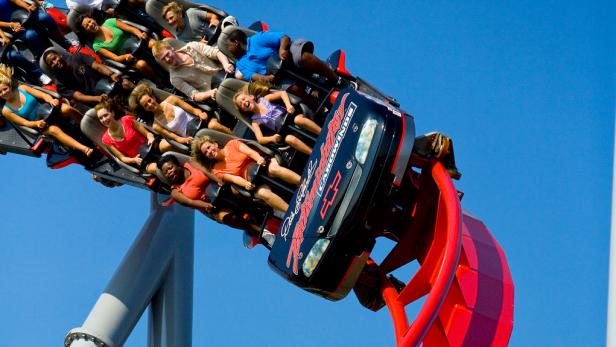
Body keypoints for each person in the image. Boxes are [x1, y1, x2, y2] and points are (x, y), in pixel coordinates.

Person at [0, 64, 92, 156]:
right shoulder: (6, 110)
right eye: (0, 92)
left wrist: (51, 100)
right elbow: (24, 123)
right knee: (53, 130)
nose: (4, 93)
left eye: (5, 89)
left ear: (10, 86)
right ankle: (84, 149)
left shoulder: (22, 88)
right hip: (40, 123)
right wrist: (36, 123)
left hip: (49, 109)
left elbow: (43, 95)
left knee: (67, 109)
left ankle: (90, 125)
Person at [191, 135, 300, 212]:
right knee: (263, 194)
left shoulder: (232, 144)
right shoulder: (216, 170)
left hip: (261, 164)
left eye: (209, 147)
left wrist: (259, 159)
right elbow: (234, 179)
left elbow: (250, 152)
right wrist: (245, 184)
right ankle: (291, 211)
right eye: (206, 152)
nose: (209, 151)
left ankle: (302, 181)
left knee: (273, 169)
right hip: (252, 180)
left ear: (214, 144)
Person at [157, 155, 257, 231]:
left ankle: (258, 205)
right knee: (227, 217)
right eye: (166, 172)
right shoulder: (175, 192)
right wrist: (207, 205)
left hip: (222, 189)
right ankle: (254, 229)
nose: (169, 172)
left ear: (177, 164)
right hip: (212, 207)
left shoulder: (191, 163)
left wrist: (218, 181)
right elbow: (190, 202)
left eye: (170, 168)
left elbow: (206, 171)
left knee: (237, 192)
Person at [129, 82, 232, 144]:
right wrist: (184, 140)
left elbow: (193, 110)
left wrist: (200, 113)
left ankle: (236, 138)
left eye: (149, 101)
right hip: (192, 137)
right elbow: (174, 137)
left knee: (213, 125)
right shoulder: (156, 125)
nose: (150, 105)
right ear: (145, 109)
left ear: (153, 97)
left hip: (200, 123)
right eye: (146, 105)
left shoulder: (172, 100)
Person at [234, 81, 320, 155]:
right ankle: (312, 153)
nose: (244, 102)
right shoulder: (255, 122)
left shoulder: (265, 99)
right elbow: (260, 139)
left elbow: (282, 93)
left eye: (244, 99)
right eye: (241, 104)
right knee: (289, 139)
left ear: (252, 97)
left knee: (298, 120)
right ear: (244, 110)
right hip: (284, 131)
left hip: (290, 117)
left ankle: (321, 132)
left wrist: (288, 105)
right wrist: (272, 138)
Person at [77, 14, 162, 84]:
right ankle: (160, 83)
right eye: (87, 26)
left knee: (154, 44)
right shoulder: (96, 45)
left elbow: (131, 28)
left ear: (93, 19)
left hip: (138, 42)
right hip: (130, 57)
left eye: (89, 21)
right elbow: (115, 58)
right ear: (86, 31)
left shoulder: (109, 22)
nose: (90, 25)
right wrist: (126, 57)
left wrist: (139, 34)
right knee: (141, 64)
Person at [95, 100, 171, 173]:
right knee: (156, 168)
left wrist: (151, 138)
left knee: (168, 145)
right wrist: (134, 160)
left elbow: (148, 133)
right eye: (100, 118)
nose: (104, 119)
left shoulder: (126, 120)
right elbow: (122, 158)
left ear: (112, 113)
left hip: (150, 146)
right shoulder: (106, 140)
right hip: (141, 159)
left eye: (106, 115)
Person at [151, 40, 233, 102]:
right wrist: (209, 93)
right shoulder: (174, 78)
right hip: (215, 91)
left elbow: (216, 53)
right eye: (163, 59)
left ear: (171, 48)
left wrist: (225, 64)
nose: (167, 59)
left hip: (224, 73)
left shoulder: (192, 46)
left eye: (167, 54)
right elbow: (194, 95)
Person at [43, 50, 134, 105]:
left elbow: (97, 66)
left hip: (105, 81)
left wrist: (111, 74)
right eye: (51, 63)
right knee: (112, 103)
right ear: (51, 68)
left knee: (125, 83)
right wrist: (97, 98)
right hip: (95, 96)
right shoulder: (60, 84)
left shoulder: (77, 57)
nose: (55, 62)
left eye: (54, 58)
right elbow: (78, 96)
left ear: (60, 55)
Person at [0, 0, 73, 56]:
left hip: (23, 14)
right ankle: (52, 55)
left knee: (45, 17)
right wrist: (10, 25)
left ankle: (66, 44)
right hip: (11, 27)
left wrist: (27, 7)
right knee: (31, 35)